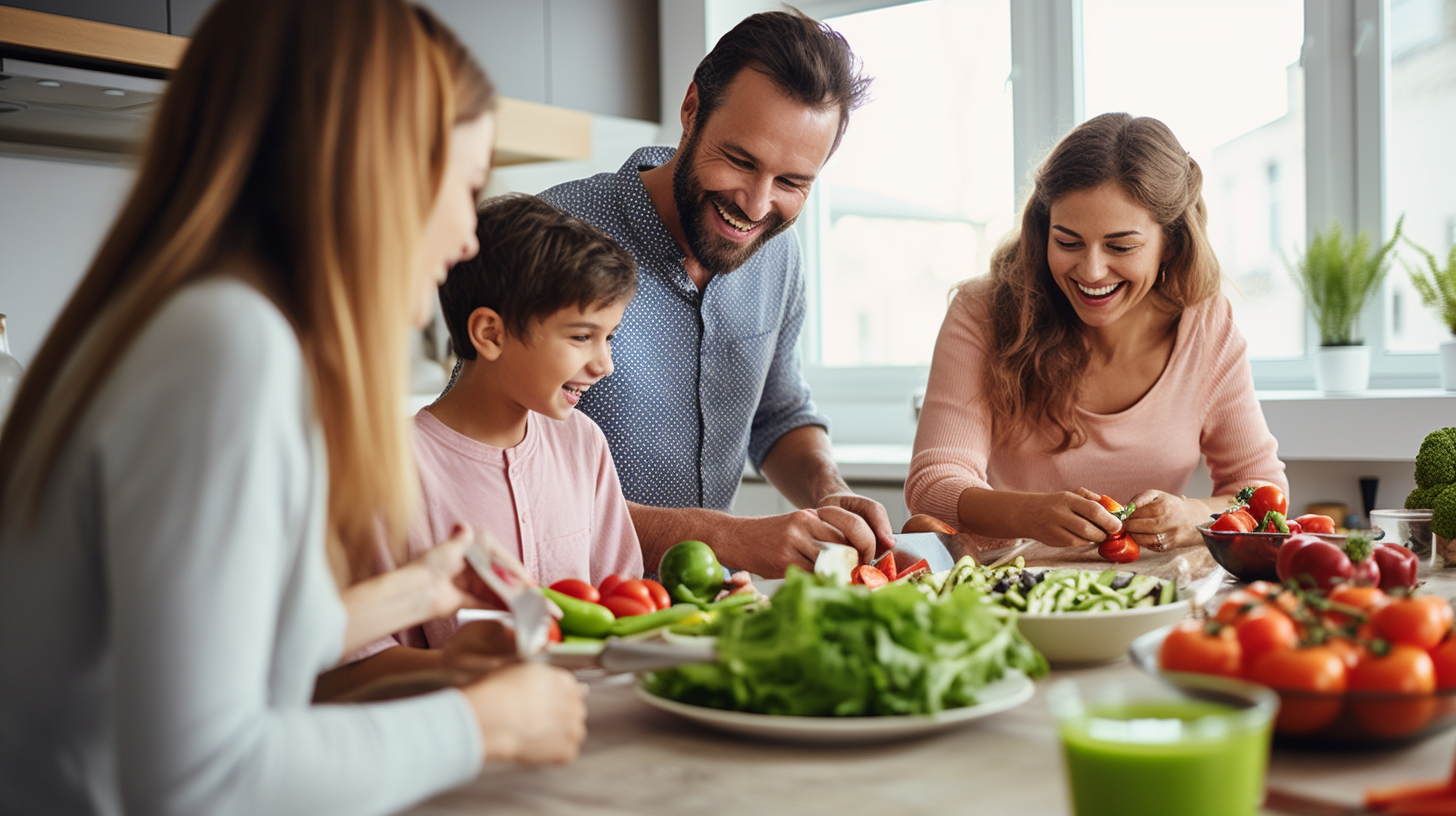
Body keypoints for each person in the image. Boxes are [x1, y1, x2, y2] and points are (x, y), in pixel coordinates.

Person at [0, 2, 586, 814]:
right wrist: (477, 725)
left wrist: (414, 594)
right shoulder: (227, 346)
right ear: (375, 169)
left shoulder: (176, 321)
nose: (466, 240)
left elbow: (206, 653)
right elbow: (198, 784)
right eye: (467, 186)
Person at [539, 9, 892, 578]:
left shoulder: (778, 255)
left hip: (703, 617)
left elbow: (777, 414)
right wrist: (725, 538)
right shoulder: (555, 230)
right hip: (568, 613)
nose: (755, 205)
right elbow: (497, 468)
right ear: (691, 109)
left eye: (791, 182)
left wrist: (829, 490)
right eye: (739, 160)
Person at [906, 113, 1287, 556]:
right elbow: (933, 484)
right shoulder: (982, 312)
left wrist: (1193, 515)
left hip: (1155, 588)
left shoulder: (1206, 326)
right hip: (1008, 585)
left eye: (1121, 247)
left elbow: (1262, 493)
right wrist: (1031, 514)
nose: (1091, 271)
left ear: (1173, 242)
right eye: (1067, 242)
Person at [320, 194, 644, 696]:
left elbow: (626, 609)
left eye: (610, 337)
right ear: (490, 333)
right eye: (582, 337)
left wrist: (708, 612)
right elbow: (347, 667)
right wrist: (463, 667)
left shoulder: (583, 443)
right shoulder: (391, 468)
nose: (605, 364)